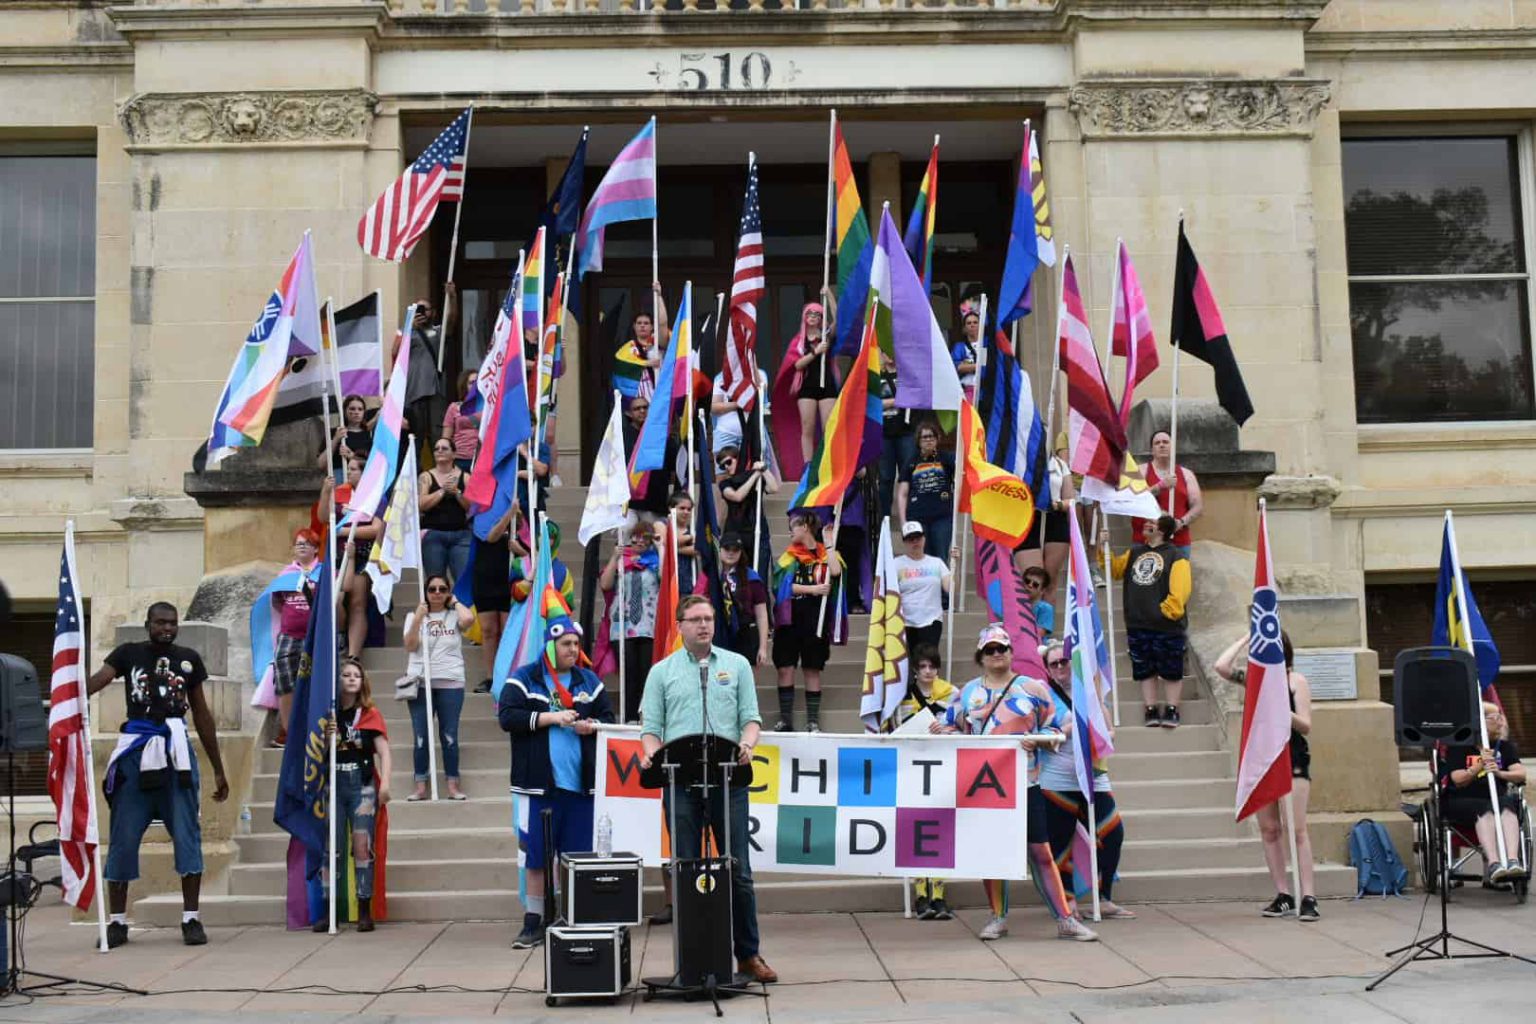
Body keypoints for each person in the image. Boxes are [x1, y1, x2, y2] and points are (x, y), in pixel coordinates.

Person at [639, 595, 777, 985]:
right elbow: (651, 730)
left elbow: (751, 719)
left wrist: (747, 745)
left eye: (709, 619)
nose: (704, 625)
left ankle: (747, 954)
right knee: (685, 869)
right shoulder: (661, 673)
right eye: (696, 619)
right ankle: (691, 955)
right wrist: (651, 754)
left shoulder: (736, 666)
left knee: (739, 871)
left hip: (727, 781)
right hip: (681, 782)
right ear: (680, 625)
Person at [932, 624, 1097, 942]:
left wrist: (1038, 741)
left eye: (1002, 649)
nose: (997, 655)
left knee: (1040, 851)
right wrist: (943, 732)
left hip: (1026, 783)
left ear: (1011, 652)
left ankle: (1064, 918)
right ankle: (997, 917)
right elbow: (951, 728)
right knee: (991, 853)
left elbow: (1054, 729)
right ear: (981, 656)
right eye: (990, 650)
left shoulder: (1033, 689)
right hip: (984, 786)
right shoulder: (966, 693)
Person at [88, 602, 229, 948]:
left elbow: (202, 714)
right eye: (160, 622)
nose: (166, 628)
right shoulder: (128, 653)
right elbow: (101, 680)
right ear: (148, 624)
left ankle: (191, 919)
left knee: (187, 833)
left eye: (172, 623)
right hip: (137, 749)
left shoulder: (189, 659)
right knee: (123, 835)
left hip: (176, 754)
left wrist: (218, 768)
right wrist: (68, 690)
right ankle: (118, 923)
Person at [499, 617, 615, 949]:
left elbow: (608, 718)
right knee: (536, 856)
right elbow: (507, 716)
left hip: (580, 787)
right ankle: (533, 921)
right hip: (538, 786)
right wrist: (551, 717)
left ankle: (573, 915)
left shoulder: (588, 681)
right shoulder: (525, 679)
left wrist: (591, 725)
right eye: (567, 644)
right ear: (550, 645)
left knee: (577, 856)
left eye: (577, 645)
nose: (573, 650)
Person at [1213, 629, 1319, 919]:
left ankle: (1308, 895)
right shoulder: (1254, 680)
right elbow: (1221, 667)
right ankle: (1283, 892)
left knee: (1296, 828)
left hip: (1291, 755)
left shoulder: (1295, 681)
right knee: (1269, 829)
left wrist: (1279, 708)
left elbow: (1305, 724)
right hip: (1262, 758)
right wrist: (1246, 638)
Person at [1037, 641, 1137, 922]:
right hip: (1058, 778)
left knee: (1112, 832)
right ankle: (1066, 900)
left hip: (1093, 774)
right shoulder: (1044, 696)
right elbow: (1042, 735)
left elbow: (1109, 731)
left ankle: (1104, 898)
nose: (1060, 668)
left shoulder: (1088, 692)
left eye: (1064, 662)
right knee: (1061, 841)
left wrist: (1099, 728)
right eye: (1054, 664)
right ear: (1047, 669)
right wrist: (1069, 729)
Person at [317, 658, 392, 932]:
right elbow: (317, 752)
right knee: (331, 847)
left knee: (362, 846)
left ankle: (363, 908)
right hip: (333, 783)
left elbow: (383, 751)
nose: (350, 679)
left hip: (361, 785)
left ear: (363, 682)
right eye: (345, 674)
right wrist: (327, 736)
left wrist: (385, 784)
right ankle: (329, 910)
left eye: (355, 676)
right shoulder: (328, 714)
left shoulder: (370, 714)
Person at [1110, 514, 1191, 729]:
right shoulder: (1135, 552)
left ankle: (1172, 708)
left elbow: (1180, 590)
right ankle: (1151, 708)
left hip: (1166, 625)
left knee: (1171, 668)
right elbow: (1116, 570)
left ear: (1163, 530)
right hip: (1138, 623)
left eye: (1152, 523)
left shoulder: (1176, 556)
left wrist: (1165, 612)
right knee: (1144, 668)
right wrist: (1103, 547)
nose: (1147, 524)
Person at [1437, 702, 1528, 886]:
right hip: (1464, 800)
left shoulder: (1504, 747)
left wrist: (1499, 773)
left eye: (1500, 717)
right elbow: (1457, 779)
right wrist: (1479, 766)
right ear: (1478, 722)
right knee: (1485, 810)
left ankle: (1512, 861)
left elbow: (1520, 773)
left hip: (1497, 798)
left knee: (1508, 808)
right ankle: (1494, 864)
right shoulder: (1460, 747)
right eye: (1494, 718)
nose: (1500, 722)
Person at [897, 646, 957, 921]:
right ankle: (921, 893)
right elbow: (896, 728)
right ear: (915, 670)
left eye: (932, 666)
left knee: (941, 828)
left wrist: (946, 729)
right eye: (922, 667)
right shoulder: (902, 696)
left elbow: (961, 725)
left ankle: (939, 895)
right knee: (915, 827)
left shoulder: (951, 692)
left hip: (943, 765)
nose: (928, 671)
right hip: (912, 767)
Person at [403, 574, 475, 801]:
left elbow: (470, 620)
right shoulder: (414, 616)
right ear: (425, 592)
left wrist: (454, 601)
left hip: (451, 681)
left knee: (449, 736)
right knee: (421, 737)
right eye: (432, 589)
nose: (436, 593)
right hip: (420, 682)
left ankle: (453, 785)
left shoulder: (454, 615)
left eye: (442, 589)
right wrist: (418, 618)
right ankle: (421, 786)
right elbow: (410, 645)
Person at [771, 511, 843, 733]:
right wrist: (812, 589)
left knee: (812, 669)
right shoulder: (789, 555)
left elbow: (836, 571)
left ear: (805, 527)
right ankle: (786, 719)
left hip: (815, 620)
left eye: (793, 526)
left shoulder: (825, 554)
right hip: (790, 619)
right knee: (785, 668)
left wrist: (829, 544)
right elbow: (780, 586)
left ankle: (813, 721)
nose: (790, 531)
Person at [770, 293, 838, 480]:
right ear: (805, 317)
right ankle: (808, 466)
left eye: (817, 314)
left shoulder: (826, 336)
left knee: (828, 427)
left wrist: (829, 295)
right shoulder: (799, 342)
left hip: (828, 386)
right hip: (807, 387)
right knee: (807, 427)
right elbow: (797, 365)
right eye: (810, 313)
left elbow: (839, 319)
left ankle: (827, 462)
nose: (814, 317)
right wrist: (816, 351)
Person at [598, 523, 661, 723]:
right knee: (628, 674)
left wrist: (661, 548)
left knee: (646, 674)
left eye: (645, 538)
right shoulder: (620, 563)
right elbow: (605, 584)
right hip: (622, 628)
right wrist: (615, 557)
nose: (640, 541)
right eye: (636, 537)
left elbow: (665, 578)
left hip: (648, 626)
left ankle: (645, 716)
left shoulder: (655, 562)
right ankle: (629, 717)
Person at [322, 458, 381, 659]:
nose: (349, 472)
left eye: (354, 469)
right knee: (336, 599)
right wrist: (325, 492)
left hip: (361, 554)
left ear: (365, 473)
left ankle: (353, 655)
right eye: (348, 468)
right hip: (336, 555)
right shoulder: (339, 493)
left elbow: (377, 529)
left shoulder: (375, 496)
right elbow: (323, 518)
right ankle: (339, 635)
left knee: (357, 603)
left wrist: (343, 531)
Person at [269, 528, 321, 748]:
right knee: (284, 682)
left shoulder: (324, 572)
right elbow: (277, 601)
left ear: (316, 548)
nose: (301, 546)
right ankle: (288, 731)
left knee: (316, 681)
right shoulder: (286, 573)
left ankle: (316, 729)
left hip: (316, 634)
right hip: (289, 635)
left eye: (306, 543)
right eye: (298, 543)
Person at [395, 288, 455, 456]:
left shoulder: (436, 332)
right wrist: (408, 328)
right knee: (415, 439)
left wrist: (452, 297)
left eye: (425, 309)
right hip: (413, 394)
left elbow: (451, 321)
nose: (422, 312)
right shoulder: (405, 332)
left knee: (437, 436)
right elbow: (395, 352)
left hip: (434, 391)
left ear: (433, 312)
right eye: (418, 309)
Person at [1014, 438, 1074, 603]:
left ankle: (1045, 626)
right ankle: (1027, 625)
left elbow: (1071, 500)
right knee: (1032, 580)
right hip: (1028, 520)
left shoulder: (1060, 465)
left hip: (1055, 518)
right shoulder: (1019, 463)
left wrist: (1058, 504)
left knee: (1050, 579)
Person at [471, 504, 520, 693]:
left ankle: (508, 676)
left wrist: (515, 513)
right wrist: (509, 514)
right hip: (485, 578)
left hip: (510, 580)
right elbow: (491, 537)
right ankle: (491, 677)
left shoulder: (521, 520)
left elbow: (530, 550)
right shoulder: (481, 515)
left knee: (507, 631)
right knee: (488, 630)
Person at [1132, 429, 1203, 558]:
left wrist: (1180, 522)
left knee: (1178, 577)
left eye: (1165, 442)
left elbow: (1197, 506)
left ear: (1172, 447)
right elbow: (1134, 498)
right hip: (1145, 541)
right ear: (1152, 449)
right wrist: (1160, 486)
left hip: (1178, 542)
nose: (1162, 445)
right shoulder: (1141, 471)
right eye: (1157, 443)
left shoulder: (1186, 474)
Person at [895, 420, 955, 559]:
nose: (928, 440)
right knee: (922, 558)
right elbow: (902, 494)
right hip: (917, 518)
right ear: (918, 440)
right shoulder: (911, 461)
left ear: (937, 439)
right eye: (925, 437)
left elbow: (961, 474)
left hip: (942, 517)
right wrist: (903, 522)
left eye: (931, 436)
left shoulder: (946, 458)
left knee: (941, 557)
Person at [893, 521, 955, 652]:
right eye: (910, 539)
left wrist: (957, 565)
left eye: (918, 538)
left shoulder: (936, 563)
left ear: (924, 539)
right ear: (904, 542)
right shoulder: (896, 564)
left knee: (927, 659)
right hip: (905, 621)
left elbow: (951, 588)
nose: (915, 542)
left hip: (931, 619)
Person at [419, 437, 472, 586]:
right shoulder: (425, 477)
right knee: (435, 581)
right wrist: (442, 491)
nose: (439, 451)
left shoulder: (466, 477)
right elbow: (421, 504)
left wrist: (457, 493)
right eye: (436, 448)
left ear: (454, 454)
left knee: (463, 581)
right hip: (433, 534)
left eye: (444, 448)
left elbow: (471, 507)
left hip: (461, 535)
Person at [715, 531, 770, 667]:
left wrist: (763, 647)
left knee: (746, 683)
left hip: (746, 634)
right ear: (720, 550)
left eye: (736, 550)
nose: (731, 553)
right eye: (727, 549)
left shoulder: (752, 578)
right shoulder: (712, 577)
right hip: (720, 633)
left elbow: (762, 615)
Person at [876, 363, 918, 524]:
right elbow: (871, 403)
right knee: (886, 477)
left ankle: (910, 515)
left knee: (907, 474)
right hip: (883, 433)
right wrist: (896, 401)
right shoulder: (876, 375)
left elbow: (917, 398)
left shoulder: (907, 375)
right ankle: (884, 516)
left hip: (905, 432)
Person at [613, 284, 668, 402]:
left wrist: (659, 296)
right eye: (639, 323)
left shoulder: (659, 343)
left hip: (660, 397)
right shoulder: (628, 348)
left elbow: (663, 324)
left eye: (646, 323)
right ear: (634, 326)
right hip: (638, 403)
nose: (642, 325)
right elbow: (622, 363)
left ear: (653, 327)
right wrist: (647, 363)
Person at [710, 366, 769, 455]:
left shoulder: (760, 374)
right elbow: (714, 407)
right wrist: (737, 404)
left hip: (752, 433)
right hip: (726, 434)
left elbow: (761, 391)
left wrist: (752, 365)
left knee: (754, 467)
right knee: (725, 467)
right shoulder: (721, 377)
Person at [318, 394, 375, 480]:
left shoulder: (369, 435)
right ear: (345, 411)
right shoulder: (334, 432)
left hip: (361, 482)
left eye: (360, 409)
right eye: (352, 409)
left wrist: (353, 456)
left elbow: (374, 465)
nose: (356, 412)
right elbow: (321, 464)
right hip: (339, 479)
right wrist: (336, 439)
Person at [441, 370, 480, 472]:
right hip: (459, 459)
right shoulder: (454, 407)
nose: (475, 386)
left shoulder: (489, 407)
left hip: (482, 459)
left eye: (478, 382)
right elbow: (446, 438)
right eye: (471, 383)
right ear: (464, 386)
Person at [951, 302, 981, 402]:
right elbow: (957, 367)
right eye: (969, 323)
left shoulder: (987, 345)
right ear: (964, 328)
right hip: (966, 391)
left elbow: (989, 366)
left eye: (975, 322)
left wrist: (968, 366)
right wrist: (977, 366)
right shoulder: (959, 347)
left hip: (984, 392)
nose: (972, 325)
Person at [1022, 566, 1056, 638]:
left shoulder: (1046, 608)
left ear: (1042, 590)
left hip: (1037, 647)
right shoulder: (1016, 604)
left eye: (1035, 585)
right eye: (1027, 581)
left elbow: (1040, 633)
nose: (1030, 585)